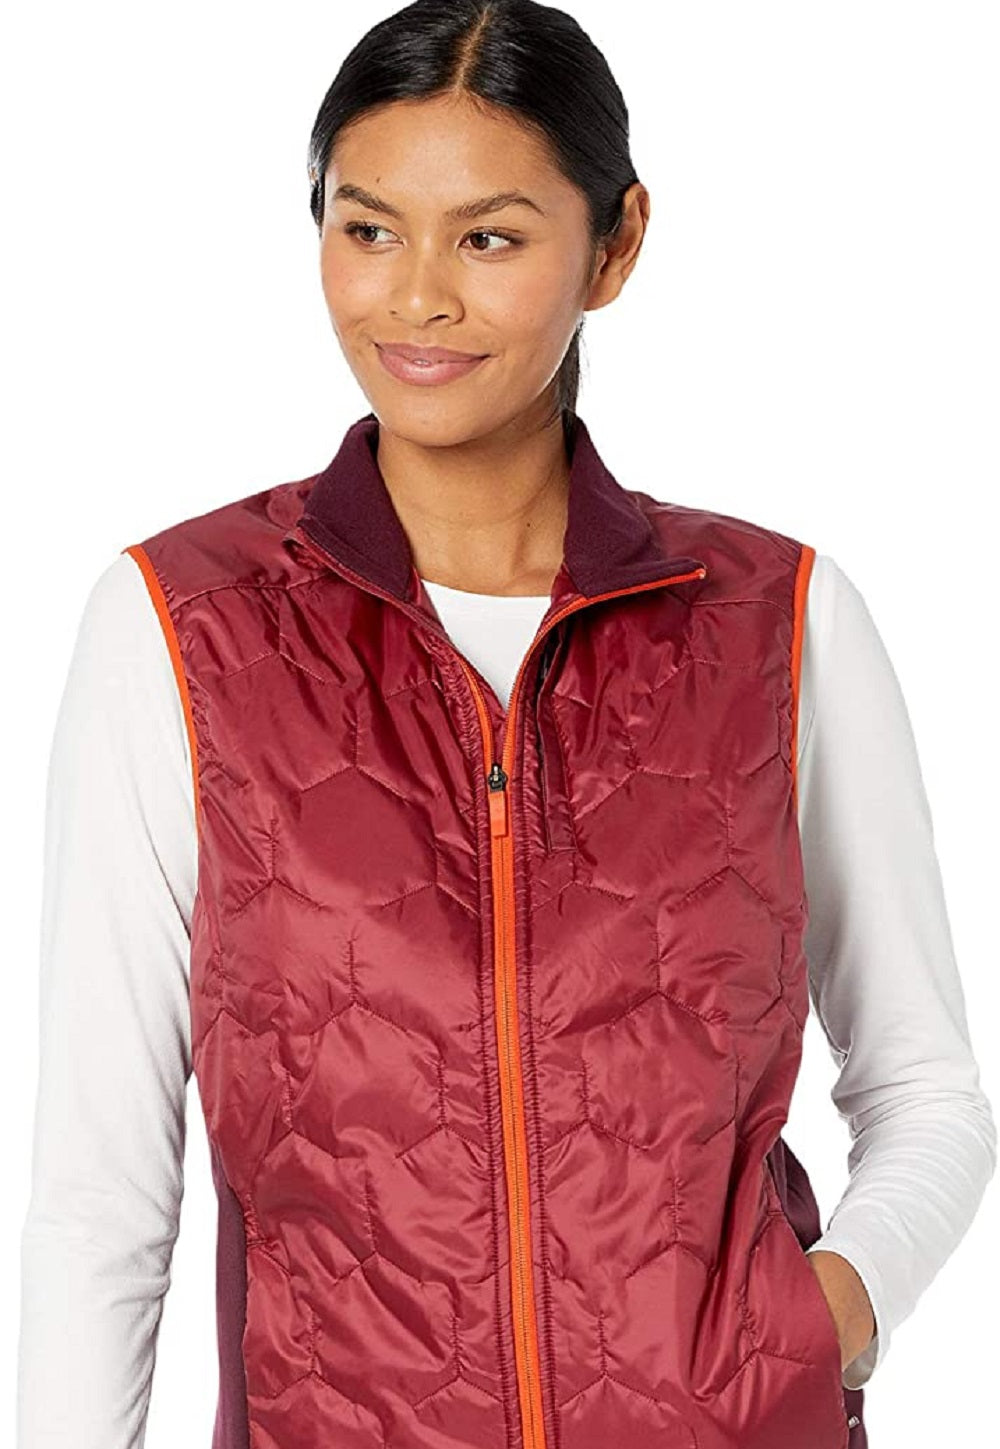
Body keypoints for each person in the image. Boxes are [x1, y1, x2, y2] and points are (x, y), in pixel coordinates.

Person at [17, 2, 996, 1447]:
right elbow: (103, 1188)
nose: (416, 298)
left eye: (488, 238)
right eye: (367, 229)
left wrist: (830, 1314)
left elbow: (925, 1087)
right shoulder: (183, 625)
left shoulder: (779, 620)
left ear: (616, 245)